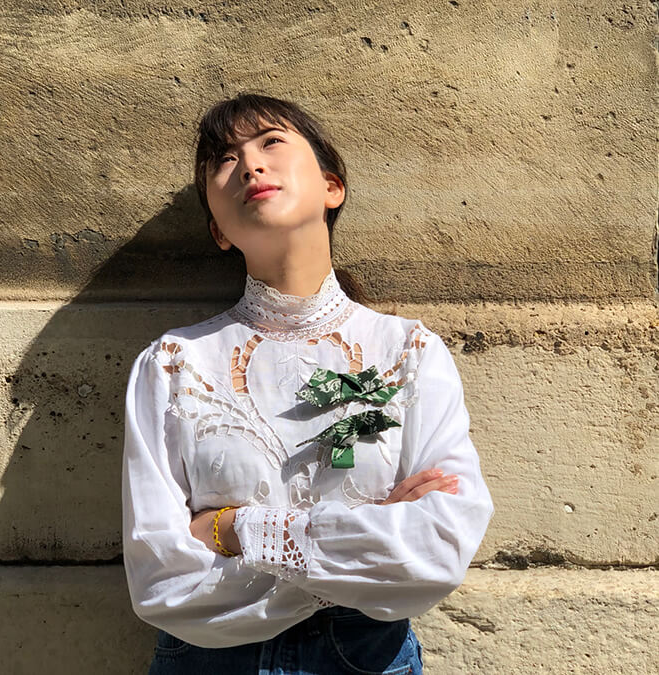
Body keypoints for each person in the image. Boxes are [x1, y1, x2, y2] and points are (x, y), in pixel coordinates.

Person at [121, 92, 494, 674]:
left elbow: (439, 549)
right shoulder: (173, 363)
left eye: (271, 141)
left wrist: (236, 527)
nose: (249, 165)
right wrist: (365, 546)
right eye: (224, 158)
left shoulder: (409, 352)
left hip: (365, 657)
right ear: (217, 229)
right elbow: (160, 579)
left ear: (332, 187)